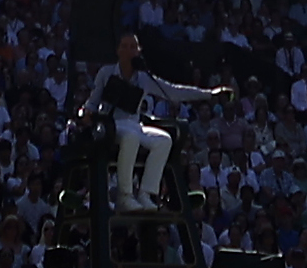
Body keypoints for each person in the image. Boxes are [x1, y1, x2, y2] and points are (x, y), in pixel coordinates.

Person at [86, 34, 226, 217]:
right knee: (131, 137)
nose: (129, 51)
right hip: (111, 125)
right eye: (125, 46)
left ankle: (146, 193)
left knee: (163, 140)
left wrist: (209, 94)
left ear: (138, 51)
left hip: (135, 124)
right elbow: (92, 103)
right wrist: (86, 115)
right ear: (118, 50)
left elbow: (173, 92)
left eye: (133, 47)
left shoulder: (145, 78)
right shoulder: (106, 72)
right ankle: (124, 196)